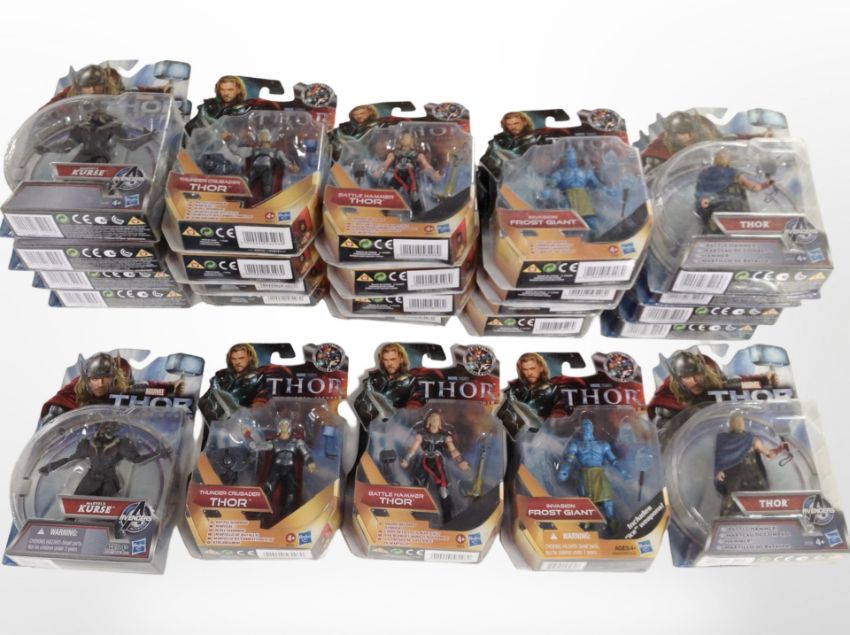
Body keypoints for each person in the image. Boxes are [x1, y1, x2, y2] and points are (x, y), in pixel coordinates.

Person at [648, 350, 778, 444]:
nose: (694, 381)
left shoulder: (714, 383)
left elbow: (738, 384)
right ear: (679, 380)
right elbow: (662, 437)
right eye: (687, 377)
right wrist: (686, 418)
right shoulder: (669, 403)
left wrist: (763, 380)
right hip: (693, 446)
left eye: (696, 374)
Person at [40, 352, 183, 427]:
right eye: (95, 379)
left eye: (105, 378)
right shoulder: (75, 389)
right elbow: (59, 405)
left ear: (113, 377)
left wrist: (169, 388)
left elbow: (145, 389)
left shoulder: (121, 385)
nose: (100, 384)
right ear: (88, 379)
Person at [39, 421, 167, 497]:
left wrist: (158, 454)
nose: (103, 432)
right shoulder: (88, 444)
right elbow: (70, 460)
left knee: (108, 510)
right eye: (101, 429)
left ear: (113, 431)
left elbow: (137, 460)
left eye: (107, 430)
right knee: (74, 506)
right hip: (90, 478)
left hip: (109, 481)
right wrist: (49, 467)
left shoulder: (121, 444)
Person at [558, 415, 630, 533]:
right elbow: (568, 460)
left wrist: (623, 472)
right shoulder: (576, 444)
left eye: (588, 425)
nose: (586, 427)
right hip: (584, 474)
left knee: (607, 500)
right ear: (581, 428)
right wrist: (563, 471)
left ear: (592, 428)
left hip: (599, 474)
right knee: (586, 502)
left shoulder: (602, 444)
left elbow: (613, 460)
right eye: (584, 425)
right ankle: (586, 525)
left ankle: (611, 522)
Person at [714, 411, 789, 516]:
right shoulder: (727, 440)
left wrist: (779, 449)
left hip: (747, 480)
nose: (740, 424)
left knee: (755, 508)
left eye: (740, 422)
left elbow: (768, 454)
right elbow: (720, 459)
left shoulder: (747, 439)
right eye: (738, 422)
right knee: (731, 509)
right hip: (737, 481)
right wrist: (718, 471)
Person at [401, 410, 470, 522]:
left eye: (437, 419)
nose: (434, 420)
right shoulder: (421, 434)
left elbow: (453, 450)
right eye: (432, 418)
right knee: (418, 487)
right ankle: (410, 516)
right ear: (428, 421)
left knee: (443, 490)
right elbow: (413, 448)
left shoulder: (445, 436)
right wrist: (406, 459)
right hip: (424, 461)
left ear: (440, 422)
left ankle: (447, 518)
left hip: (438, 462)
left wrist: (461, 462)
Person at [249, 418, 316, 518]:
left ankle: (288, 515)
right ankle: (257, 513)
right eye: (282, 424)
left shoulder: (297, 442)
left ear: (289, 427)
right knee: (267, 489)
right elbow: (257, 446)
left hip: (289, 469)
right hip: (276, 469)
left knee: (291, 493)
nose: (284, 426)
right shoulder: (274, 443)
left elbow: (305, 453)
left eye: (286, 424)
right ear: (279, 427)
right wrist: (249, 436)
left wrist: (310, 462)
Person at [694, 150, 774, 226]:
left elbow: (701, 193)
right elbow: (754, 188)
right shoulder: (735, 174)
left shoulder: (705, 174)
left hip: (717, 213)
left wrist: (704, 200)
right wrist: (767, 184)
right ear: (729, 161)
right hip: (734, 212)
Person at [374, 131, 441, 215]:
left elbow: (426, 166)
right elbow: (385, 164)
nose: (404, 139)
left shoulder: (417, 154)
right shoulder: (394, 153)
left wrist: (433, 174)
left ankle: (418, 213)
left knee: (414, 195)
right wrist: (379, 172)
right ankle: (383, 212)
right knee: (390, 192)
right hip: (397, 175)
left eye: (407, 137)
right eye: (402, 137)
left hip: (410, 176)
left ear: (412, 140)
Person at [199, 343, 263, 423]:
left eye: (241, 358)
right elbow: (204, 400)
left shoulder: (259, 378)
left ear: (250, 358)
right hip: (215, 420)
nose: (237, 362)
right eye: (234, 359)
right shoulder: (221, 375)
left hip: (243, 422)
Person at [353, 343, 416, 425]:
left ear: (401, 359)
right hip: (371, 424)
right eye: (385, 360)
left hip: (397, 425)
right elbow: (359, 403)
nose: (389, 364)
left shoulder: (411, 381)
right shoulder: (374, 379)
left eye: (393, 359)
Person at [498, 353, 560, 435]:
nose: (529, 373)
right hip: (517, 434)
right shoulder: (513, 390)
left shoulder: (554, 390)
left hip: (546, 434)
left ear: (541, 368)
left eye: (532, 368)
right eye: (525, 369)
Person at [184, 75, 249, 137]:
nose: (226, 93)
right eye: (222, 89)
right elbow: (189, 128)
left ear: (238, 90)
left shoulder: (245, 111)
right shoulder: (209, 106)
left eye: (230, 90)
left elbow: (245, 136)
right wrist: (212, 133)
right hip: (204, 142)